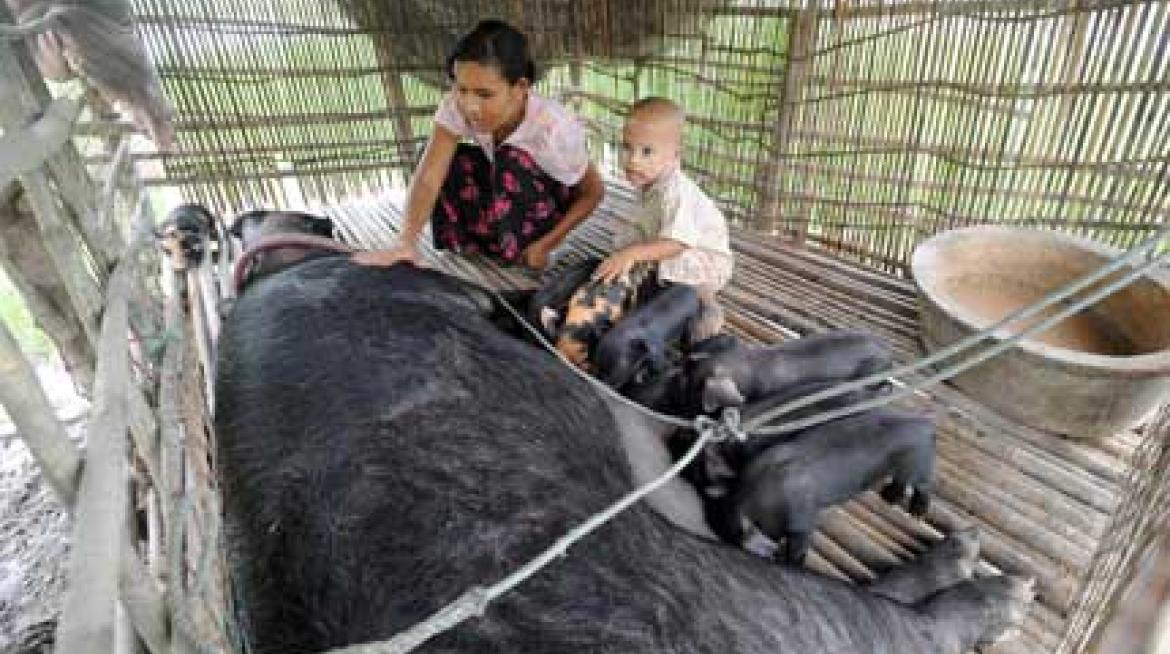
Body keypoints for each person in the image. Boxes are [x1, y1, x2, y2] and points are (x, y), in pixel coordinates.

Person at [353, 20, 604, 269]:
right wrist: (405, 242)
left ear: (520, 88)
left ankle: (518, 247)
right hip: (505, 199)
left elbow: (593, 192)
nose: (471, 106)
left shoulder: (554, 127)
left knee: (510, 158)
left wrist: (547, 244)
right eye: (462, 89)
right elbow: (430, 174)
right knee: (448, 158)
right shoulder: (457, 105)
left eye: (485, 94)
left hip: (546, 209)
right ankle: (485, 242)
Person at [594, 97, 734, 341]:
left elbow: (678, 243)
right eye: (627, 148)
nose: (633, 160)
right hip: (669, 243)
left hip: (704, 259)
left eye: (647, 151)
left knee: (682, 287)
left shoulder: (676, 192)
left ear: (675, 155)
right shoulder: (651, 181)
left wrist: (632, 254)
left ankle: (706, 306)